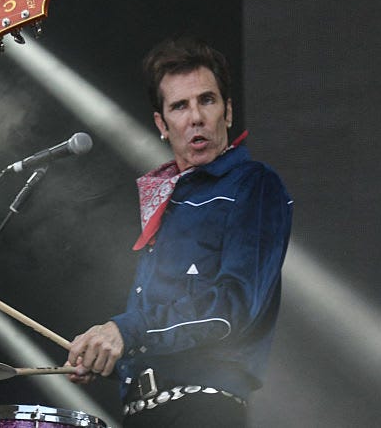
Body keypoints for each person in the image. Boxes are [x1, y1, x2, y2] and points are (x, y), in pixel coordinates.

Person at [66, 37, 293, 427]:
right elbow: (156, 328)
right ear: (161, 124)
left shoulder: (253, 184)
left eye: (207, 100)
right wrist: (109, 355)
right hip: (142, 412)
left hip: (202, 408)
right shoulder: (167, 200)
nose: (196, 117)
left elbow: (230, 309)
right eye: (180, 106)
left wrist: (127, 329)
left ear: (228, 112)